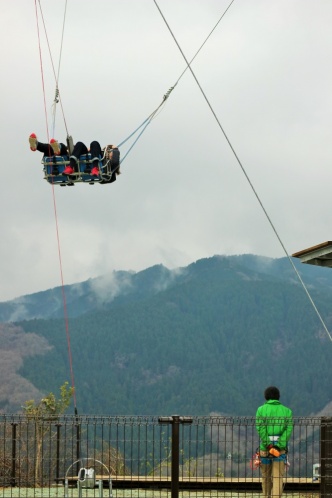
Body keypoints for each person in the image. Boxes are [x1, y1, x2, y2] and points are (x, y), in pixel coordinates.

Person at [256, 386, 293, 498]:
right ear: (278, 397)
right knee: (277, 478)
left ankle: (266, 496)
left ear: (266, 397)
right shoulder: (287, 411)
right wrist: (278, 445)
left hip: (265, 449)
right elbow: (288, 430)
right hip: (280, 451)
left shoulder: (260, 410)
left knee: (266, 477)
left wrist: (269, 444)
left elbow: (261, 429)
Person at [29, 134, 120, 178]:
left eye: (110, 152)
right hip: (74, 159)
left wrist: (115, 149)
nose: (109, 153)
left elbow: (115, 161)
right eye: (109, 151)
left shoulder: (109, 167)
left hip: (86, 164)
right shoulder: (99, 152)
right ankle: (37, 145)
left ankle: (95, 168)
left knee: (94, 143)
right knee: (79, 144)